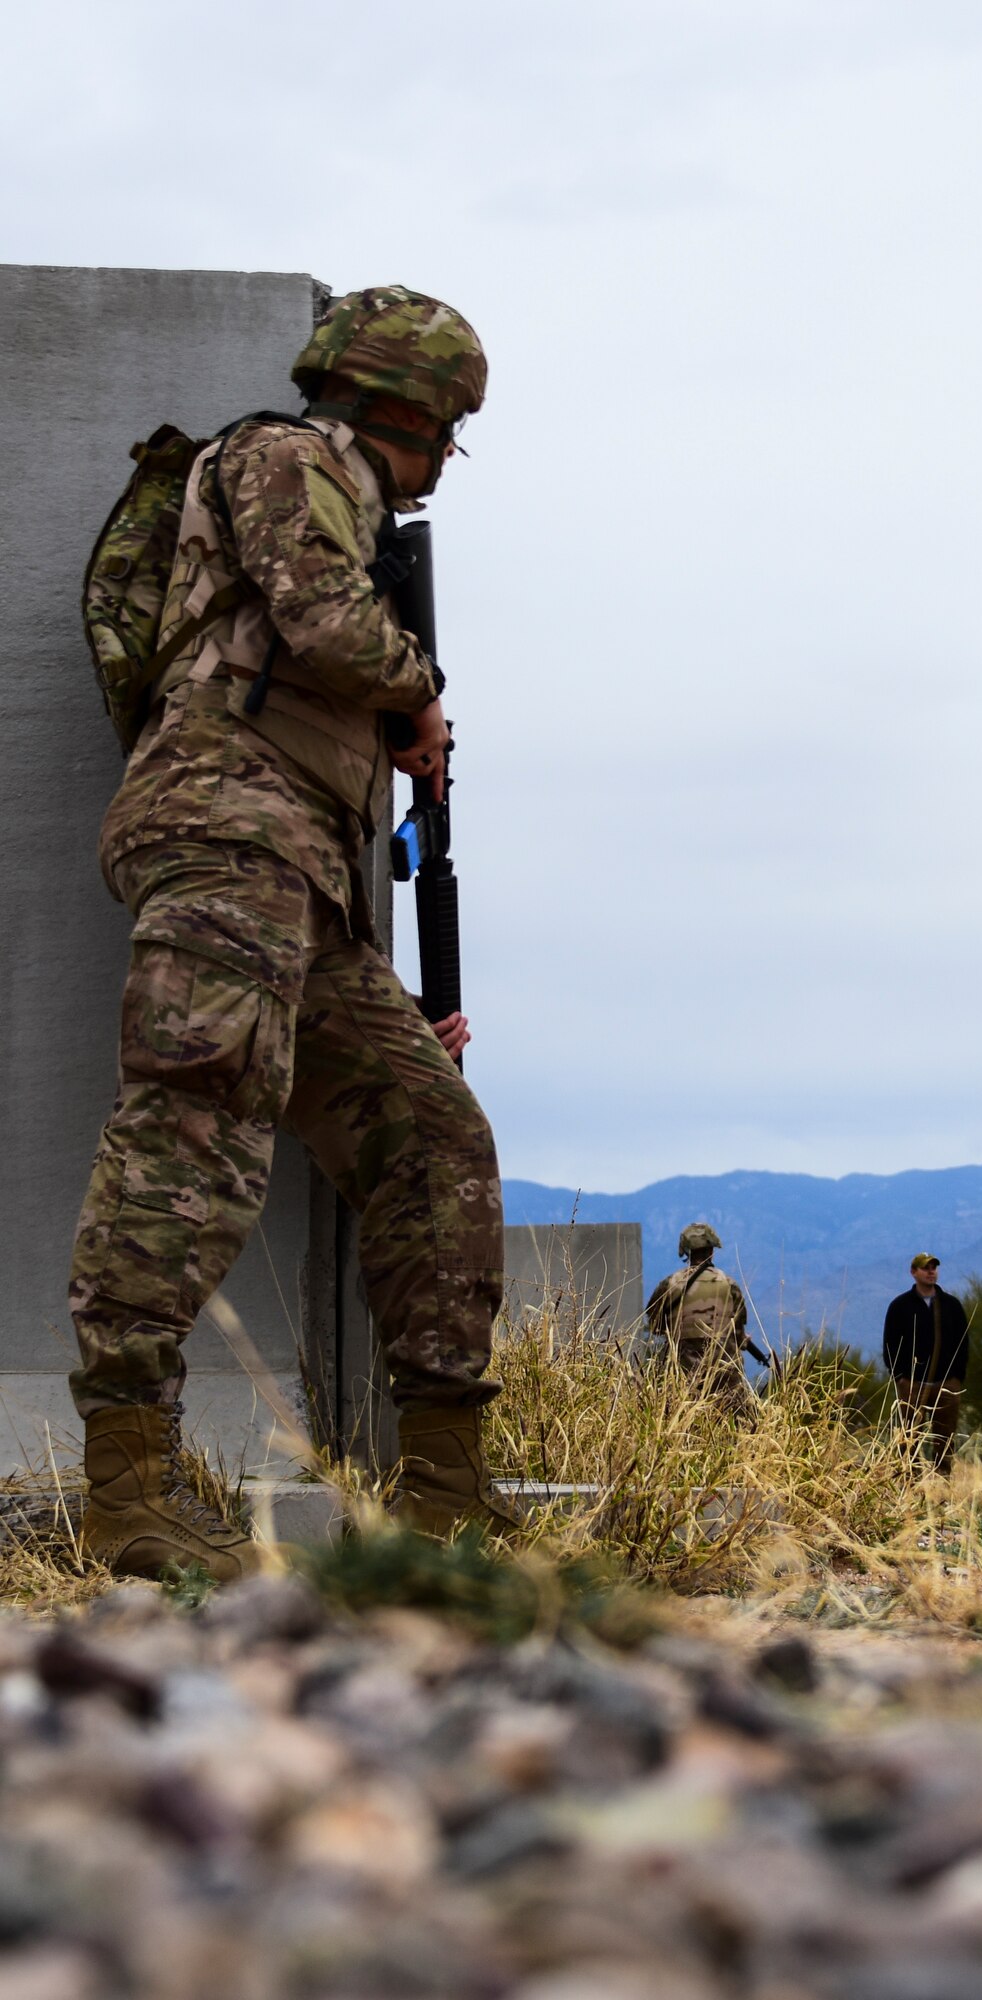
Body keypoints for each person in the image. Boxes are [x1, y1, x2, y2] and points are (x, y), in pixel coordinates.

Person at [69, 285, 514, 1582]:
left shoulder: (343, 498)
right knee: (194, 1119)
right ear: (404, 410)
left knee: (434, 1131)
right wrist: (418, 697)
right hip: (222, 835)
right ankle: (128, 1487)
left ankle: (442, 1486)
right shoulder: (285, 455)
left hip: (296, 880)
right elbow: (321, 622)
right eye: (446, 436)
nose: (443, 467)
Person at [645, 1224, 754, 1414]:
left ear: (687, 1251)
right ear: (712, 1250)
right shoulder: (728, 1284)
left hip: (683, 1377)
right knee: (737, 1424)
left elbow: (655, 1326)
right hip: (725, 1378)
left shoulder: (670, 1284)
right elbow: (738, 1335)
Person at [882, 1254, 969, 1467]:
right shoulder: (900, 1306)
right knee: (909, 1437)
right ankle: (910, 1480)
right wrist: (900, 1377)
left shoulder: (951, 1305)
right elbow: (890, 1344)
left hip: (946, 1384)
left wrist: (957, 1378)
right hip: (912, 1383)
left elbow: (963, 1343)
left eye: (934, 1267)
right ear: (913, 1272)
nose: (931, 1271)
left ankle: (943, 1481)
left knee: (945, 1437)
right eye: (925, 1268)